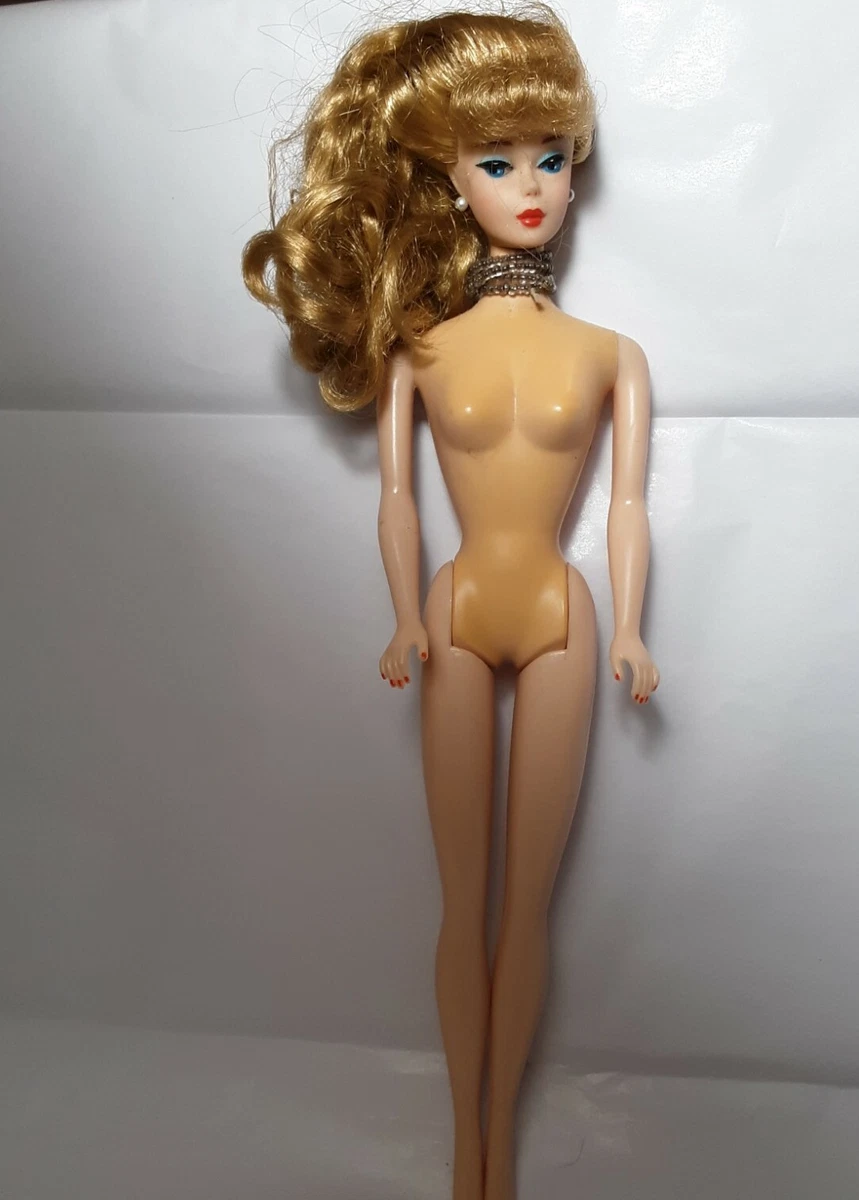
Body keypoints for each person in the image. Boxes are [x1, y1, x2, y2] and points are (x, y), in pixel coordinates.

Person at [242, 6, 659, 1197]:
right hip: (458, 604)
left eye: (551, 158)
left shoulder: (612, 353)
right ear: (447, 175)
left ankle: (499, 1152)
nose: (530, 187)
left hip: (562, 613)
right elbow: (395, 496)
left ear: (576, 166)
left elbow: (627, 507)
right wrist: (401, 613)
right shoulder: (418, 350)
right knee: (458, 899)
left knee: (525, 906)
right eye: (497, 161)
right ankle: (464, 1143)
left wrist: (632, 625)